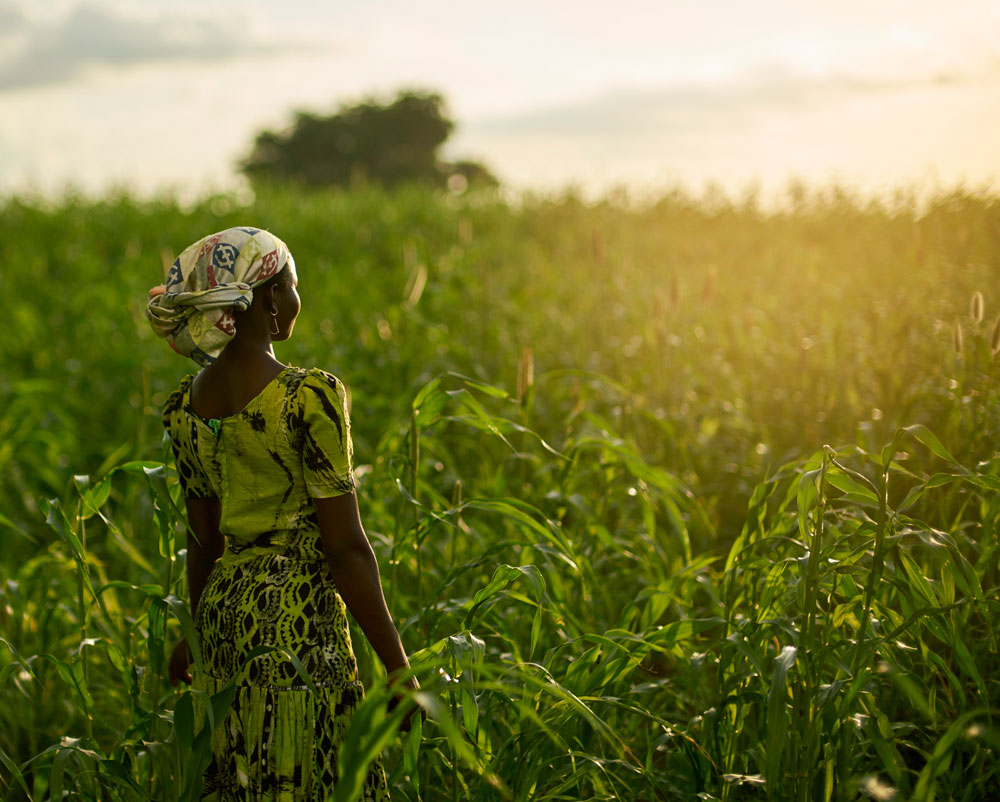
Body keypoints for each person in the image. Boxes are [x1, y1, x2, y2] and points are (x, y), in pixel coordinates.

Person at [146, 226, 415, 801]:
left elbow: (204, 542)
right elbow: (345, 548)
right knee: (312, 773)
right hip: (297, 622)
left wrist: (196, 634)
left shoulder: (186, 407)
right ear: (268, 297)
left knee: (240, 772)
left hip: (224, 616)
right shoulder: (306, 397)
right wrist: (397, 667)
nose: (296, 298)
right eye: (292, 285)